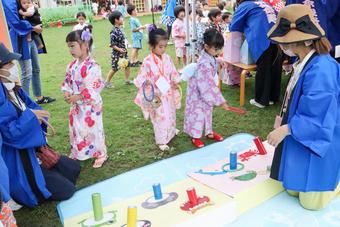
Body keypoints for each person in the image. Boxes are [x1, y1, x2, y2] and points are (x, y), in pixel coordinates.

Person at [267, 4, 340, 210]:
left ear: (306, 40)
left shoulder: (322, 69)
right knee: (292, 189)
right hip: (304, 130)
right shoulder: (303, 60)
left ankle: (336, 180)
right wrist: (283, 120)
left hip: (322, 133)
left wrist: (287, 128)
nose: (283, 47)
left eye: (287, 43)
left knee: (311, 204)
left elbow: (318, 114)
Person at [0, 43, 80, 208]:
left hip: (33, 149)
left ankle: (45, 171)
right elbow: (8, 133)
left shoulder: (12, 87)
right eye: (9, 64)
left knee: (73, 169)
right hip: (19, 159)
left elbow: (31, 105)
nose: (14, 67)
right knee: (67, 190)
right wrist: (31, 117)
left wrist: (38, 115)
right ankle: (20, 193)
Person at [183, 29, 245, 148]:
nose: (218, 51)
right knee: (197, 114)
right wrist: (220, 101)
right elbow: (208, 85)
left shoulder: (209, 57)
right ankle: (195, 136)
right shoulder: (203, 64)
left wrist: (219, 60)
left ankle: (209, 132)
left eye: (220, 48)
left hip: (205, 91)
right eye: (216, 49)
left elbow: (212, 63)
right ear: (206, 46)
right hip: (198, 93)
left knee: (207, 112)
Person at [62, 27, 108, 168]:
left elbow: (93, 87)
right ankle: (78, 151)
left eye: (73, 46)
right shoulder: (71, 65)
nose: (70, 50)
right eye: (68, 46)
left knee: (93, 130)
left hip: (90, 106)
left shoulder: (93, 66)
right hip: (76, 106)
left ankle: (100, 153)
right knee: (76, 129)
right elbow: (67, 82)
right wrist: (67, 92)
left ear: (85, 45)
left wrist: (80, 96)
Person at [134, 28, 181, 151]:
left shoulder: (167, 58)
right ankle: (161, 140)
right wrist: (149, 84)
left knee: (170, 112)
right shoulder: (147, 61)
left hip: (168, 91)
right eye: (160, 46)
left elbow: (173, 72)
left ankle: (170, 131)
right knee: (159, 116)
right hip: (156, 94)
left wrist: (174, 81)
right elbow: (142, 79)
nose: (163, 49)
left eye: (165, 46)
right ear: (151, 46)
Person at [230, 0, 283, 108]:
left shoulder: (245, 6)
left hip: (261, 38)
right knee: (274, 67)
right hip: (277, 37)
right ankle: (272, 97)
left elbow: (234, 26)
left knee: (263, 68)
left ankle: (261, 100)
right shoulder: (264, 4)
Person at [2, 0, 55, 104]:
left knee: (36, 69)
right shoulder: (8, 1)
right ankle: (25, 102)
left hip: (31, 38)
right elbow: (15, 22)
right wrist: (32, 27)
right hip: (20, 39)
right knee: (26, 72)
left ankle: (39, 97)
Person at [104, 11, 132, 88]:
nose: (123, 19)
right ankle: (107, 82)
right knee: (115, 68)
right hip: (117, 54)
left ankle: (127, 80)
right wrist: (119, 50)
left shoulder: (120, 29)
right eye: (121, 18)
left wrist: (127, 44)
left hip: (123, 53)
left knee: (127, 65)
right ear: (116, 20)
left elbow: (123, 39)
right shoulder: (113, 31)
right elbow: (112, 44)